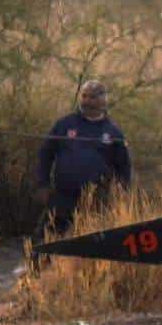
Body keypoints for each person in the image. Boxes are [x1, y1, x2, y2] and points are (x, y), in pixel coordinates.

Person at [33, 79, 132, 240]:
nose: (87, 101)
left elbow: (124, 167)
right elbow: (45, 154)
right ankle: (36, 264)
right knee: (44, 239)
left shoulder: (113, 132)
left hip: (95, 200)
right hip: (63, 196)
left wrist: (121, 194)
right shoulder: (65, 124)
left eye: (92, 97)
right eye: (84, 96)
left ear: (103, 100)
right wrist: (42, 184)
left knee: (92, 242)